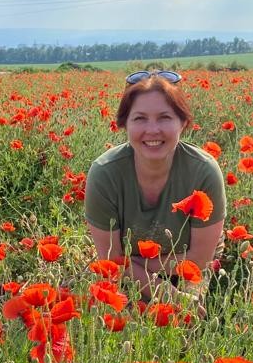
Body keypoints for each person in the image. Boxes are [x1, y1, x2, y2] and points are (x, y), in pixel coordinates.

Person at [85, 70, 226, 301]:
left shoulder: (203, 171)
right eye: (140, 118)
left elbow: (198, 260)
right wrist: (171, 297)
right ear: (124, 124)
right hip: (129, 268)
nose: (152, 130)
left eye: (164, 117)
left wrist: (139, 263)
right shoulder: (105, 174)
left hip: (186, 266)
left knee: (186, 323)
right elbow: (112, 262)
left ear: (183, 122)